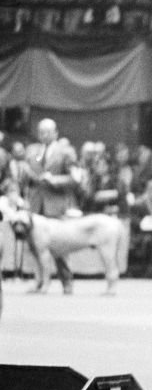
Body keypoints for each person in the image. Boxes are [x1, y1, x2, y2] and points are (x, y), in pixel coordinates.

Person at [23, 118, 80, 294]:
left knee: (60, 246)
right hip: (35, 205)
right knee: (34, 246)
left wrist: (54, 180)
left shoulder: (66, 151)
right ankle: (39, 281)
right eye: (41, 131)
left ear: (56, 133)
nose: (44, 135)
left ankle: (67, 282)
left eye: (48, 131)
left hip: (56, 205)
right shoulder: (32, 150)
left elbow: (76, 178)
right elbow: (27, 178)